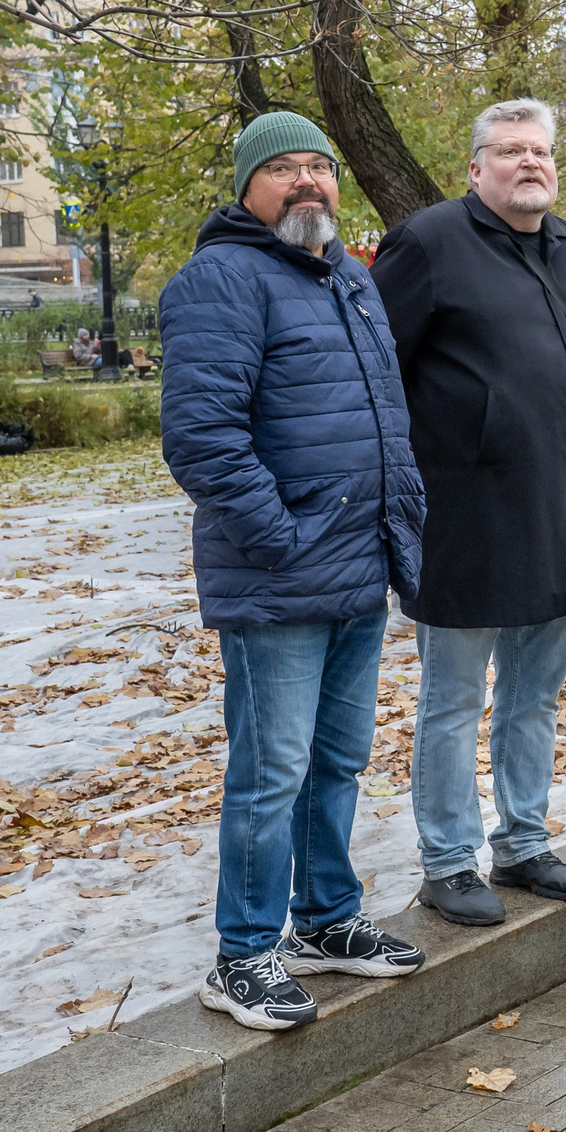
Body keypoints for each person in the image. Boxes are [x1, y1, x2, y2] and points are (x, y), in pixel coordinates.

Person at [159, 111, 428, 1030]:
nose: (307, 181)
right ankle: (242, 954)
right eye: (284, 168)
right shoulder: (221, 280)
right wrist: (282, 538)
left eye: (320, 165)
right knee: (271, 769)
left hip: (358, 566)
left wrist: (399, 526)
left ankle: (324, 920)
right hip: (282, 575)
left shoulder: (347, 276)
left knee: (338, 760)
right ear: (247, 188)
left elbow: (385, 417)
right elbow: (202, 439)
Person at [370, 100, 566, 926]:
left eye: (541, 151)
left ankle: (523, 840)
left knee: (534, 694)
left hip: (561, 509)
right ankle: (445, 860)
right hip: (465, 516)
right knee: (453, 698)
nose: (529, 163)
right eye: (510, 151)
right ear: (476, 169)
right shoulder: (428, 244)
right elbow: (375, 373)